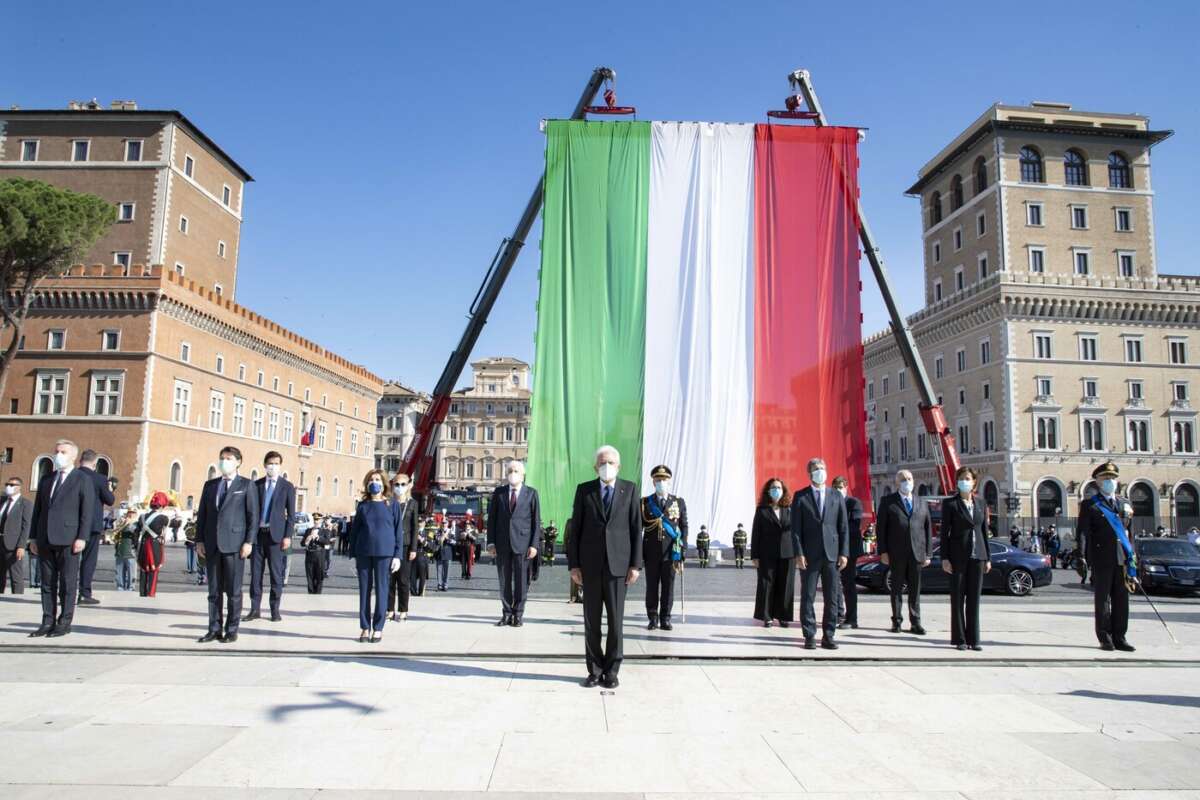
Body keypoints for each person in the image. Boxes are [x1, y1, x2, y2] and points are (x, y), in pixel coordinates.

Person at [568, 445, 641, 689]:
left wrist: (635, 565)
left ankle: (612, 670)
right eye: (601, 463)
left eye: (610, 462)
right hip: (589, 567)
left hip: (618, 566)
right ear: (595, 467)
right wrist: (574, 565)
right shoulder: (585, 490)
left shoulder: (629, 489)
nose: (606, 466)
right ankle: (594, 669)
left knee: (615, 622)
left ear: (618, 466)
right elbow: (575, 530)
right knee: (591, 622)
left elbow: (636, 529)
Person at [28, 439, 94, 637]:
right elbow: (38, 510)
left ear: (73, 456)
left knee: (67, 583)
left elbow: (86, 511)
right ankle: (47, 621)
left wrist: (82, 537)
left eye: (63, 452)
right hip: (45, 538)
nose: (58, 455)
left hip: (68, 538)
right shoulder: (47, 479)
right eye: (56, 451)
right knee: (47, 583)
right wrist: (33, 537)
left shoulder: (82, 479)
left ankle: (64, 622)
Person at [194, 445, 259, 644]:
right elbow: (202, 515)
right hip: (212, 544)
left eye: (229, 458)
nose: (224, 462)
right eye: (222, 458)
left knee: (233, 591)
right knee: (213, 591)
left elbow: (253, 517)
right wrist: (199, 540)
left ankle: (232, 629)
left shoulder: (246, 485)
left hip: (235, 545)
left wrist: (249, 542)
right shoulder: (210, 485)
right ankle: (214, 628)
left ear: (238, 462)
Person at [1077, 461, 1137, 652]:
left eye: (1113, 478)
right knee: (1103, 600)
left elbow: (1130, 534)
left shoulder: (1125, 503)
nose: (1110, 481)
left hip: (1123, 558)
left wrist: (1133, 557)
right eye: (1106, 478)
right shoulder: (1090, 505)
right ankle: (1105, 637)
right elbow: (1083, 532)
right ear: (1098, 481)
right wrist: (1081, 556)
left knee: (1122, 599)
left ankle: (1120, 637)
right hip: (1102, 557)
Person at [791, 457, 849, 650]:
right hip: (809, 555)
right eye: (816, 469)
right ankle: (809, 635)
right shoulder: (801, 496)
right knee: (808, 596)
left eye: (822, 468)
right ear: (810, 473)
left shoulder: (836, 495)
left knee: (832, 597)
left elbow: (843, 526)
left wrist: (844, 553)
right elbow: (796, 529)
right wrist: (799, 553)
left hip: (831, 554)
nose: (820, 471)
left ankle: (828, 636)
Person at [876, 469, 932, 636]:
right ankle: (897, 621)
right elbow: (881, 528)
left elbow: (928, 529)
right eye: (903, 479)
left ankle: (916, 622)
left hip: (917, 552)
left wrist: (928, 553)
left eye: (909, 478)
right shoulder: (888, 502)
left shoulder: (921, 502)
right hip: (896, 553)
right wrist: (883, 551)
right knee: (897, 589)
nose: (907, 482)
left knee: (915, 589)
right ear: (897, 483)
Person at [941, 466, 991, 652]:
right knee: (957, 598)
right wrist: (945, 558)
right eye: (961, 478)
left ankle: (974, 639)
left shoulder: (981, 503)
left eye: (968, 478)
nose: (964, 481)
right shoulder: (950, 504)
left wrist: (987, 557)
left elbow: (984, 532)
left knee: (974, 599)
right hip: (957, 557)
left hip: (978, 556)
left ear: (974, 482)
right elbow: (944, 533)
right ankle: (960, 638)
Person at [352, 469, 404, 643]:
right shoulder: (363, 505)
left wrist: (397, 555)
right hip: (364, 552)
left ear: (383, 483)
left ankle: (378, 627)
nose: (374, 482)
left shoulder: (392, 504)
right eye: (371, 480)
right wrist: (353, 553)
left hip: (385, 553)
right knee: (364, 591)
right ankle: (365, 627)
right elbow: (355, 530)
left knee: (382, 590)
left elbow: (398, 531)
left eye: (377, 479)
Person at [487, 461, 541, 627]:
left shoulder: (531, 493)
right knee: (504, 581)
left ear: (523, 474)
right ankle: (506, 614)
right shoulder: (499, 493)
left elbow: (536, 521)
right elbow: (492, 519)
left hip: (523, 544)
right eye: (510, 471)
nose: (513, 473)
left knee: (521, 581)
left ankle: (518, 614)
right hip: (502, 543)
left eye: (516, 471)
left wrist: (534, 545)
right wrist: (491, 542)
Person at [246, 452, 295, 623]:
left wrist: (288, 536)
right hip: (258, 536)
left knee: (276, 574)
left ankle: (275, 609)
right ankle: (254, 609)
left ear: (280, 465)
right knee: (255, 575)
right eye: (270, 463)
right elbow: (250, 511)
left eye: (276, 463)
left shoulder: (287, 487)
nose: (273, 466)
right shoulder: (256, 485)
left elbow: (291, 515)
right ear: (265, 465)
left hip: (276, 537)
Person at [640, 465, 687, 631]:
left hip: (671, 552)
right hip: (651, 552)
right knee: (651, 587)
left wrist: (683, 550)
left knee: (668, 587)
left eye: (664, 480)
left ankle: (665, 618)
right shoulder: (645, 503)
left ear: (669, 481)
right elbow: (639, 528)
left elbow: (684, 526)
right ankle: (652, 618)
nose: (661, 482)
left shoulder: (678, 502)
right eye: (658, 480)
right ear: (653, 482)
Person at [751, 477, 796, 628]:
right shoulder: (762, 510)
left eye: (779, 488)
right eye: (773, 488)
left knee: (786, 585)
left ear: (783, 491)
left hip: (788, 553)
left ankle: (783, 616)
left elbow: (796, 532)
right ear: (768, 491)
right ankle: (767, 616)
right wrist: (755, 555)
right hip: (766, 554)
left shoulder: (790, 509)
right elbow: (756, 533)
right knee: (766, 584)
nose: (776, 490)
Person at [75, 449, 116, 606]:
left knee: (69, 560)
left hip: (71, 524)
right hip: (92, 525)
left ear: (80, 461)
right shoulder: (99, 478)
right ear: (95, 463)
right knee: (89, 560)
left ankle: (65, 592)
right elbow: (110, 500)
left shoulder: (72, 475)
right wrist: (110, 489)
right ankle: (84, 593)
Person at [385, 473, 418, 622]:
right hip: (389, 545)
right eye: (397, 484)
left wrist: (414, 548)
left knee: (403, 580)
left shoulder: (412, 504)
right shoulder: (388, 503)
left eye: (403, 484)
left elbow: (415, 527)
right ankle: (390, 610)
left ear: (408, 485)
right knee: (389, 580)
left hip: (405, 545)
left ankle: (403, 610)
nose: (400, 487)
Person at [1, 477, 33, 594]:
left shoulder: (25, 504)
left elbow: (26, 526)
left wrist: (21, 546)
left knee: (16, 575)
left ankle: (17, 596)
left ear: (19, 487)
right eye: (7, 484)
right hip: (0, 541)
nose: (8, 487)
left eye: (12, 485)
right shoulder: (2, 501)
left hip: (13, 544)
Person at [136, 492, 170, 597]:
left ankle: (142, 592)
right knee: (153, 570)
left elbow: (136, 533)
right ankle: (151, 593)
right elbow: (177, 523)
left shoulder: (142, 517)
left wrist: (135, 547)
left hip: (143, 546)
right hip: (154, 547)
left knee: (143, 570)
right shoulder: (163, 518)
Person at [112, 509, 138, 591]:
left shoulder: (136, 523)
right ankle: (120, 586)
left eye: (133, 513)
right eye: (129, 513)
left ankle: (131, 587)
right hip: (120, 549)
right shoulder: (121, 521)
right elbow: (115, 533)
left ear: (135, 514)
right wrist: (118, 524)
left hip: (130, 550)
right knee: (119, 570)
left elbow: (133, 531)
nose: (130, 515)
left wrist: (128, 523)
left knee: (131, 571)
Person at [303, 523, 333, 593]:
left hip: (320, 555)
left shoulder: (325, 531)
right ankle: (310, 592)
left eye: (318, 520)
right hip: (309, 554)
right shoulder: (308, 530)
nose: (316, 522)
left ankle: (318, 592)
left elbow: (327, 542)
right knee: (310, 575)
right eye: (315, 520)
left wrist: (319, 538)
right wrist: (307, 540)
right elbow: (302, 543)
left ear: (321, 521)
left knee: (319, 576)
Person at [564, 518, 583, 604]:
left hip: (585, 552)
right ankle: (573, 597)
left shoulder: (587, 521)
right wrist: (566, 550)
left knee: (586, 575)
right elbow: (566, 537)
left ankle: (583, 597)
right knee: (573, 575)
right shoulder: (570, 522)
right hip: (573, 552)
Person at [435, 524, 453, 591]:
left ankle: (445, 584)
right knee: (439, 570)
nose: (444, 524)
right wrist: (441, 537)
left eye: (445, 523)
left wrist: (447, 537)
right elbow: (436, 540)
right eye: (443, 523)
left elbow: (454, 542)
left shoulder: (450, 531)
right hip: (439, 552)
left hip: (447, 552)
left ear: (447, 524)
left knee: (447, 570)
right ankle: (439, 584)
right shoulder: (438, 531)